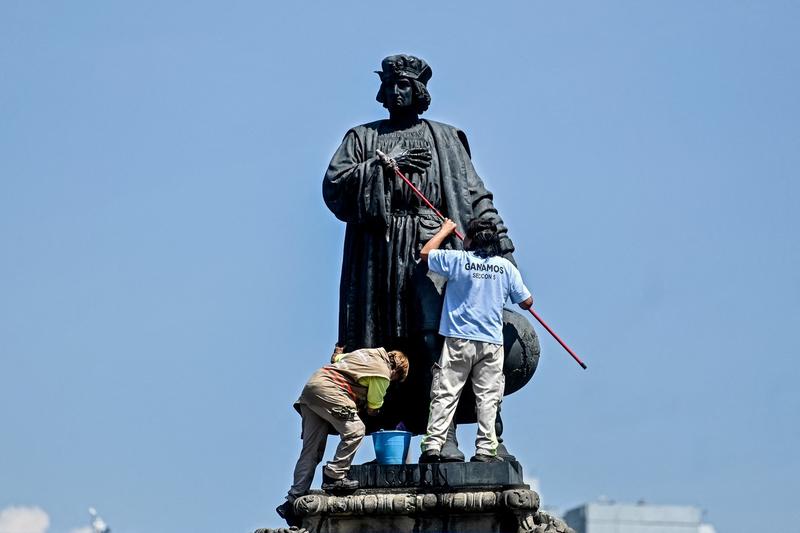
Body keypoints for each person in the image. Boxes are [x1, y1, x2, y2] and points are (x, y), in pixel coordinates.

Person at [323, 54, 522, 456]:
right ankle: (390, 439)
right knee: (385, 347)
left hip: (436, 251)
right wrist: (385, 166)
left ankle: (448, 434)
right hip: (380, 254)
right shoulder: (361, 138)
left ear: (419, 91)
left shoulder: (446, 138)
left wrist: (503, 252)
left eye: (405, 85)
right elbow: (335, 186)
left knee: (439, 340)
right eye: (390, 85)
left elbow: (476, 197)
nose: (397, 92)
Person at [419, 218, 533, 463]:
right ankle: (485, 450)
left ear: (469, 239)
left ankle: (433, 446)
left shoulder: (458, 260)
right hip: (491, 343)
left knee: (446, 394)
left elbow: (426, 253)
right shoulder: (504, 267)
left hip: (459, 340)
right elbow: (526, 302)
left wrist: (445, 230)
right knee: (488, 398)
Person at [276, 347, 410, 526]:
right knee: (356, 430)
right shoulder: (383, 373)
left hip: (312, 389)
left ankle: (293, 499)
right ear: (396, 371)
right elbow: (374, 406)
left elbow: (337, 358)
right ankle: (335, 475)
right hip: (331, 390)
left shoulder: (365, 353)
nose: (392, 381)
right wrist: (372, 408)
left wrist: (337, 352)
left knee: (311, 449)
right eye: (396, 379)